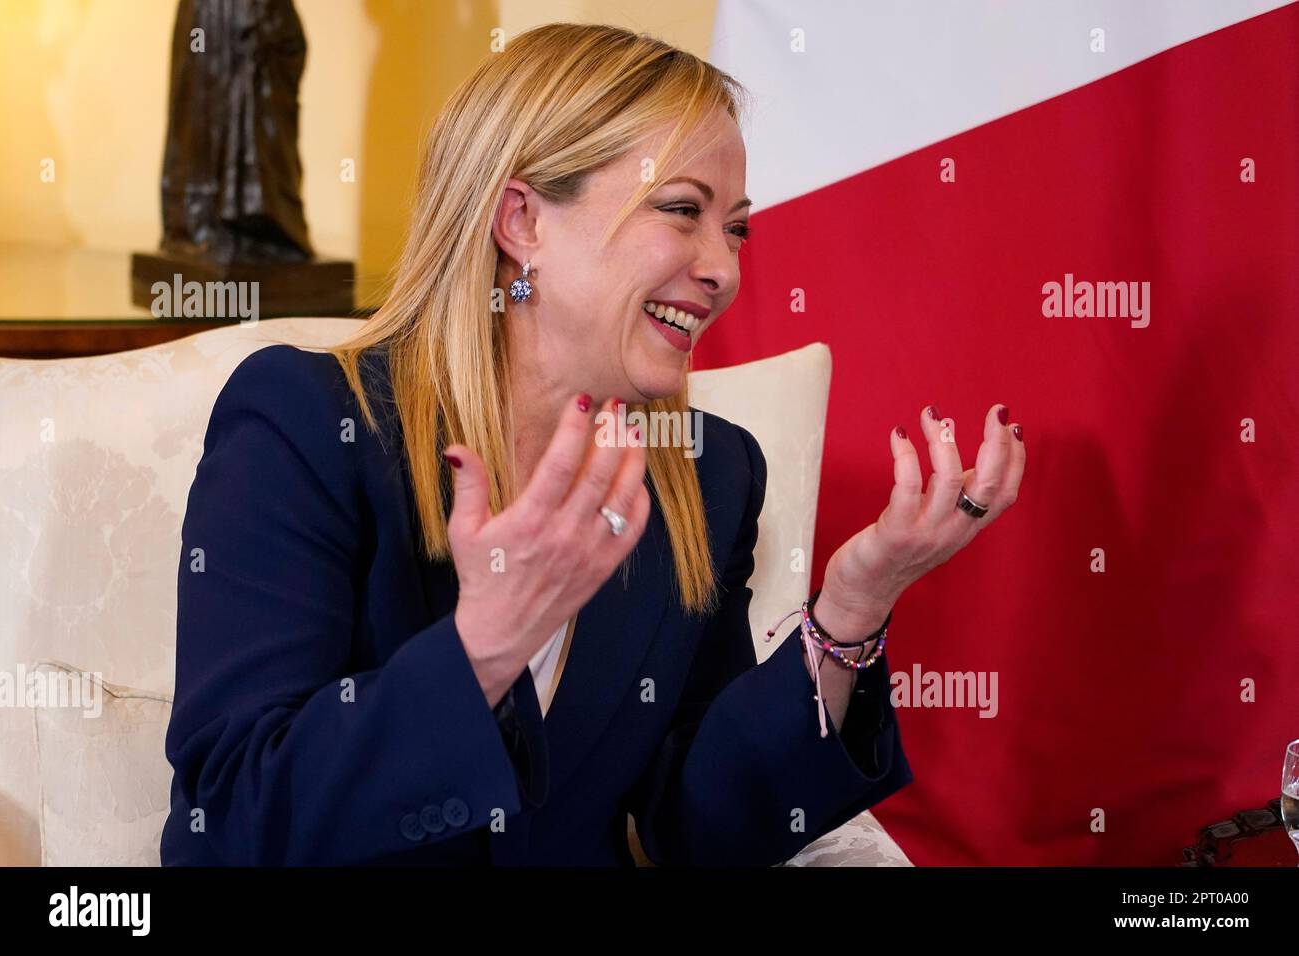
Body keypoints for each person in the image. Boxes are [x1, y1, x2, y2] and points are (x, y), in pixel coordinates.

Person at [161, 22, 1025, 867]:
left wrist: (849, 610)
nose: (723, 268)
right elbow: (232, 825)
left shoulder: (706, 472)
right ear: (522, 221)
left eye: (736, 228)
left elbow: (691, 832)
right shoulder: (304, 424)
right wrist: (482, 651)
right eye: (683, 210)